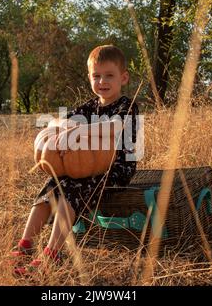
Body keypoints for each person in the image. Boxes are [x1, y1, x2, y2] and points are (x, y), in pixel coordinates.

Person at [11, 45, 139, 275]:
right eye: (96, 76)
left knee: (71, 188)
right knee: (52, 188)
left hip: (114, 171)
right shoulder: (89, 107)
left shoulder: (126, 105)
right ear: (89, 78)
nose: (102, 81)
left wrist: (81, 130)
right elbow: (54, 122)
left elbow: (116, 126)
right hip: (84, 170)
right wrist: (66, 127)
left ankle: (52, 254)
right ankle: (25, 245)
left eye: (109, 75)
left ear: (124, 78)